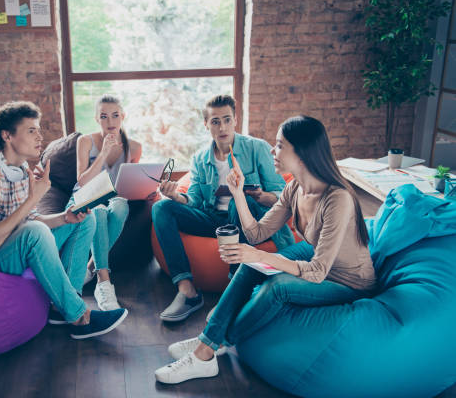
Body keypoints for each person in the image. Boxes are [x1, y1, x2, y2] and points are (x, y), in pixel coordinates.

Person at [154, 115, 377, 384]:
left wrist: (259, 255)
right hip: (320, 261)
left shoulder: (337, 199)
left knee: (278, 286)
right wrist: (238, 194)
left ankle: (207, 350)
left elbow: (317, 272)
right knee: (251, 264)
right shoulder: (295, 187)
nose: (273, 150)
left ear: (303, 153)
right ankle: (210, 341)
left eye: (281, 145)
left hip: (348, 281)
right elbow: (256, 233)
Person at [0, 101, 128, 340]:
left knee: (84, 219)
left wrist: (65, 217)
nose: (39, 136)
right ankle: (79, 316)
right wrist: (34, 197)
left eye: (38, 129)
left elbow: (32, 219)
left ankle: (63, 304)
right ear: (7, 135)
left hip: (8, 245)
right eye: (31, 130)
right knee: (34, 232)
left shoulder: (20, 169)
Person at [152, 95, 295, 322]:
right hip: (213, 219)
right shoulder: (200, 158)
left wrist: (262, 196)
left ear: (236, 120)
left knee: (241, 203)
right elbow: (195, 201)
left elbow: (282, 194)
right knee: (162, 208)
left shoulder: (257, 148)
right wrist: (175, 197)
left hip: (248, 219)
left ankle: (233, 290)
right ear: (206, 125)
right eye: (216, 121)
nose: (222, 127)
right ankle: (187, 290)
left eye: (227, 120)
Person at [71, 95, 142, 311]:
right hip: (87, 195)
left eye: (115, 115)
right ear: (96, 119)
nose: (110, 121)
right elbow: (81, 181)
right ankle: (103, 281)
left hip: (115, 196)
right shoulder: (85, 141)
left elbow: (130, 181)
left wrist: (144, 190)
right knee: (99, 212)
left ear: (123, 117)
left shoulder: (134, 147)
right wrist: (103, 154)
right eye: (103, 116)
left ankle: (91, 266)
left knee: (121, 206)